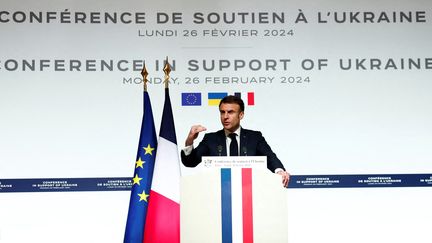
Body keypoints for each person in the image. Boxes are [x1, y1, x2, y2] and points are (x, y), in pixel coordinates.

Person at [181, 95, 290, 187]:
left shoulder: (255, 137)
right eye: (222, 112)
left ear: (241, 115)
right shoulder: (211, 139)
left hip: (248, 194)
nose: (225, 117)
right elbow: (190, 162)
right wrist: (189, 140)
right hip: (218, 194)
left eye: (230, 112)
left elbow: (270, 157)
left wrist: (279, 171)